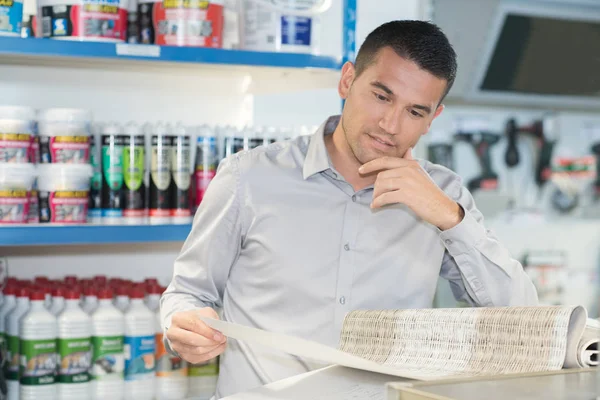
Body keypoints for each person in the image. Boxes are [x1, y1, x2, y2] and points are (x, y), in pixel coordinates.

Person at [160, 20, 539, 398]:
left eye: (415, 112)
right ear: (347, 81)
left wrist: (448, 217)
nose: (390, 125)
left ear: (433, 119)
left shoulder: (444, 195)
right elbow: (188, 294)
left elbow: (521, 318)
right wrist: (184, 325)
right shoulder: (249, 177)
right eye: (381, 96)